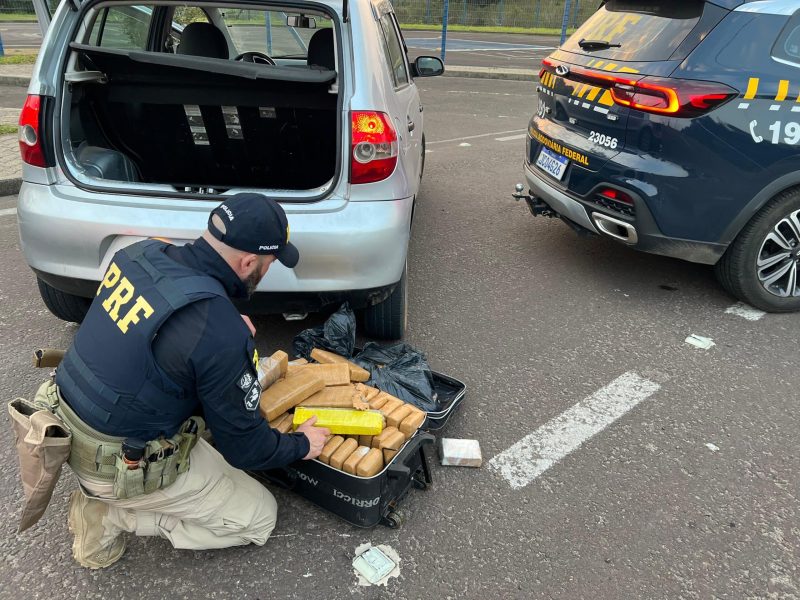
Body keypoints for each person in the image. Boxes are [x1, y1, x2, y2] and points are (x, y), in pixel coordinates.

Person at [37, 193, 329, 569]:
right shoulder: (216, 330)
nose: (268, 270)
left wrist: (220, 328)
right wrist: (302, 445)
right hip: (114, 462)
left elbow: (154, 330)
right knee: (259, 517)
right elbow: (246, 450)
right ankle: (111, 513)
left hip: (66, 414)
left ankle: (108, 492)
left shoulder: (140, 253)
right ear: (247, 262)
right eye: (270, 263)